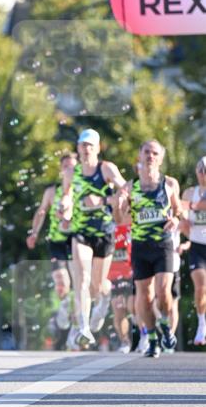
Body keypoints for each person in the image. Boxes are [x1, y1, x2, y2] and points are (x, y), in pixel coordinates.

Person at [61, 129, 126, 349]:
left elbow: (125, 189)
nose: (86, 149)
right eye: (83, 145)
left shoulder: (106, 168)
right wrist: (64, 208)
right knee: (81, 279)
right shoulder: (71, 172)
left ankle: (104, 298)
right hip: (81, 232)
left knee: (97, 286)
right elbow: (66, 197)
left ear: (97, 148)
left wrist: (104, 200)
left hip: (104, 232)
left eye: (90, 145)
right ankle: (84, 328)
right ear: (78, 148)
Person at [118, 140, 183, 359]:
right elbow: (120, 215)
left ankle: (165, 324)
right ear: (139, 155)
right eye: (146, 152)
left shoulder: (169, 183)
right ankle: (153, 339)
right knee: (144, 298)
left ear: (161, 158)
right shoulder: (130, 186)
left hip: (163, 245)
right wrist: (120, 204)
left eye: (155, 153)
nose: (150, 156)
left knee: (163, 291)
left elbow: (179, 210)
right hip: (140, 247)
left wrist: (175, 219)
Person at [27, 152, 77, 344]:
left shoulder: (82, 190)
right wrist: (34, 232)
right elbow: (41, 211)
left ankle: (76, 329)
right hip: (57, 242)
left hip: (77, 241)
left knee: (80, 286)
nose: (69, 170)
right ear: (61, 170)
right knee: (62, 282)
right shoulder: (52, 192)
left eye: (73, 167)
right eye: (66, 167)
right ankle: (64, 304)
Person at [181, 155, 206, 346]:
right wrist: (184, 223)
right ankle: (202, 324)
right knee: (200, 286)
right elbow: (180, 214)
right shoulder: (190, 193)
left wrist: (192, 207)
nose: (204, 174)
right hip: (197, 245)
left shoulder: (191, 200)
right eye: (201, 170)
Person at [108, 208, 134, 353]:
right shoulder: (106, 226)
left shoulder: (134, 225)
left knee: (133, 306)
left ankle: (145, 335)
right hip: (113, 274)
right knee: (118, 309)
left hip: (132, 272)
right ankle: (124, 341)